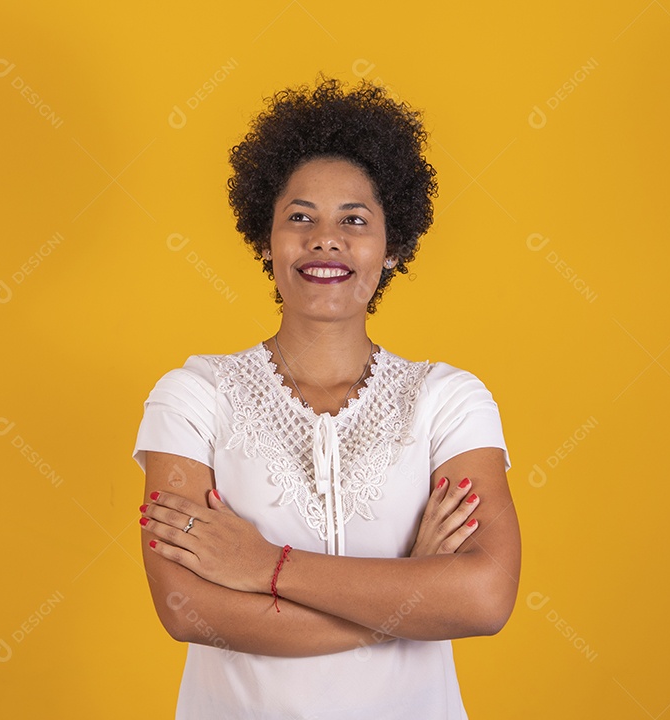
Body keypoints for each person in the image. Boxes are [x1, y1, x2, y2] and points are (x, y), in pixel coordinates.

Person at [133, 75, 521, 719]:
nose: (325, 239)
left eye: (355, 220)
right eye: (300, 217)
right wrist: (408, 604)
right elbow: (189, 609)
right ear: (265, 239)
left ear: (391, 246)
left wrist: (264, 566)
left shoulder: (450, 402)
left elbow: (483, 600)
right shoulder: (192, 398)